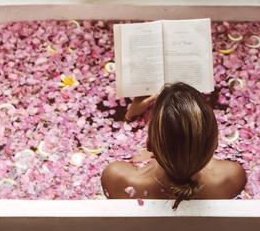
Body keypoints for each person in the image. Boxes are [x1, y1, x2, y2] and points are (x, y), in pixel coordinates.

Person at [101, 82, 247, 209]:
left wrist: (129, 117)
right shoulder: (232, 177)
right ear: (215, 144)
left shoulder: (117, 177)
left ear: (149, 144)